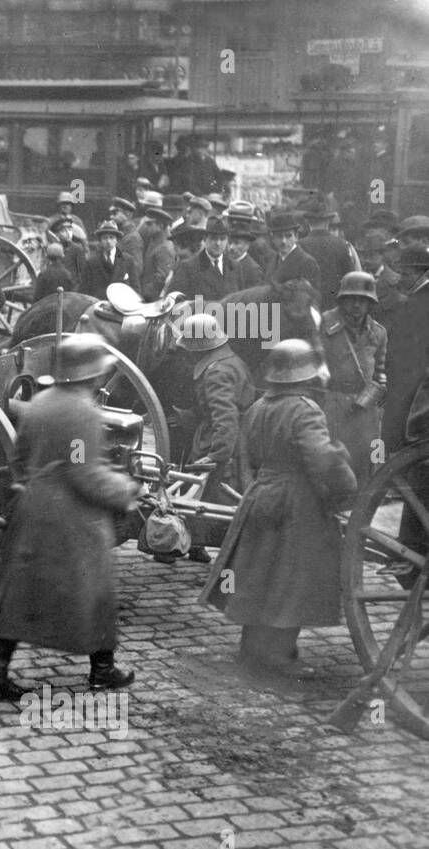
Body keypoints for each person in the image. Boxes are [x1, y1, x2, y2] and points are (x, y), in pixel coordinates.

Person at [0, 334, 140, 700]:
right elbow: (84, 472)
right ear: (91, 376)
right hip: (71, 516)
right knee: (96, 590)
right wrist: (125, 490)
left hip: (35, 507)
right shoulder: (82, 412)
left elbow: (19, 460)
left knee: (21, 595)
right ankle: (102, 670)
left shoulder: (41, 402)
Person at [201, 339, 357, 679]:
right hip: (297, 502)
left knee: (260, 578)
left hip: (261, 495)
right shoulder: (305, 409)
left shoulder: (258, 406)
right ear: (306, 375)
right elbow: (322, 459)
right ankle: (279, 657)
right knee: (293, 580)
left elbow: (247, 460)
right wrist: (346, 488)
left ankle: (251, 651)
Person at [172, 313, 256, 564]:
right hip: (235, 437)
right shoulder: (230, 361)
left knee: (212, 494)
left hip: (220, 439)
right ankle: (197, 545)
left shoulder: (216, 372)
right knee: (204, 493)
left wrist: (217, 454)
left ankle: (221, 551)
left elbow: (225, 417)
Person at [312, 272, 386, 489]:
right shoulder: (324, 323)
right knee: (334, 461)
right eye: (351, 298)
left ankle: (363, 507)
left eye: (363, 300)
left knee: (371, 458)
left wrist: (378, 395)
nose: (356, 304)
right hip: (331, 404)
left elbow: (381, 372)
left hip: (366, 408)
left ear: (370, 303)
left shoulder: (378, 333)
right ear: (341, 299)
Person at [166, 216, 241, 301]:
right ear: (205, 239)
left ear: (227, 240)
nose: (218, 243)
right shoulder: (188, 267)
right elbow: (174, 300)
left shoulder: (235, 267)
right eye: (213, 238)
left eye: (222, 239)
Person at [79, 220, 135, 299]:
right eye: (105, 238)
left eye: (111, 238)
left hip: (122, 305)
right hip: (100, 305)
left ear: (117, 240)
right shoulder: (92, 262)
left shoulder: (127, 260)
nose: (108, 241)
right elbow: (85, 290)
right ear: (100, 241)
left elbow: (135, 288)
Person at [266, 211, 321, 288]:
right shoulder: (272, 260)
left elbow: (313, 296)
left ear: (296, 236)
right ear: (273, 239)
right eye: (279, 236)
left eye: (288, 236)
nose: (283, 241)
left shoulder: (307, 262)